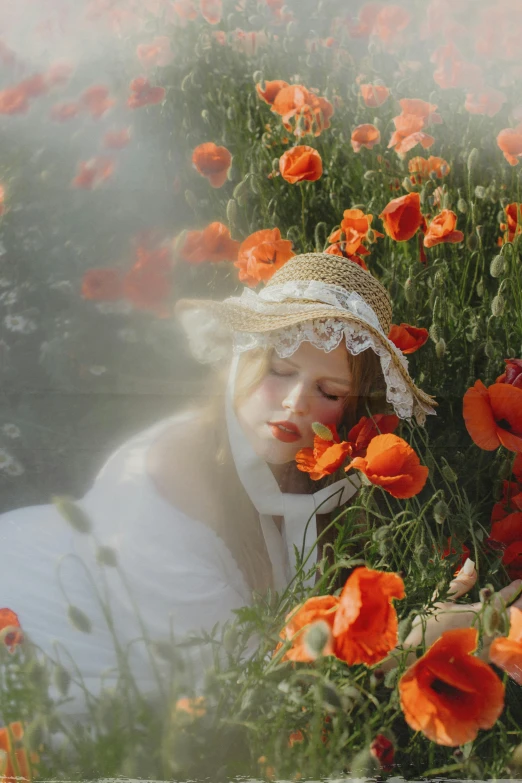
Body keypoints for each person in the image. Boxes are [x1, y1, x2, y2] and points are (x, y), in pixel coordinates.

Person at [0, 252, 520, 721]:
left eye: (328, 389)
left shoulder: (309, 473)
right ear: (240, 360)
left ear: (352, 407)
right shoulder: (164, 485)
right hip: (48, 649)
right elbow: (249, 696)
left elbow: (302, 627)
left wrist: (418, 608)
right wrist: (415, 640)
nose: (296, 403)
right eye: (280, 368)